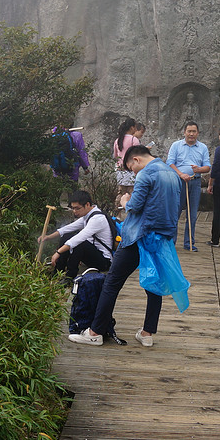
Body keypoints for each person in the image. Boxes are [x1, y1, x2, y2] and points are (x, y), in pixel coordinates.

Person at [73, 145, 182, 347]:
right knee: (154, 286)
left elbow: (135, 206)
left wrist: (125, 200)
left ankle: (95, 332)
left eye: (131, 167)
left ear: (136, 160)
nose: (133, 172)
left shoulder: (146, 174)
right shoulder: (172, 174)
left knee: (112, 283)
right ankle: (147, 333)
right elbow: (176, 208)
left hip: (137, 237)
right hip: (161, 239)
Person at [39, 190, 114, 279]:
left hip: (104, 262)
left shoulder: (97, 219)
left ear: (87, 205)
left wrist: (58, 252)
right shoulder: (88, 216)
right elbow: (67, 228)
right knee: (66, 236)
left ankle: (70, 277)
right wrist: (48, 237)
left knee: (79, 243)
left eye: (77, 208)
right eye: (73, 208)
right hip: (93, 255)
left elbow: (79, 238)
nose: (74, 211)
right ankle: (58, 271)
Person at [166, 121, 210, 252]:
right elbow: (169, 163)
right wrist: (180, 174)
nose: (191, 134)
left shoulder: (202, 147)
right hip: (179, 181)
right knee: (176, 212)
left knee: (192, 213)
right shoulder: (176, 145)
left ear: (198, 133)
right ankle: (171, 242)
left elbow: (207, 167)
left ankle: (189, 242)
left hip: (195, 181)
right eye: (189, 131)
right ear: (184, 132)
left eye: (194, 131)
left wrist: (199, 169)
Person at [112, 117, 140, 207]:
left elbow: (116, 156)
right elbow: (138, 155)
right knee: (132, 192)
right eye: (135, 127)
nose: (136, 130)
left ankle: (117, 213)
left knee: (121, 192)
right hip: (131, 170)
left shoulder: (117, 140)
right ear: (132, 128)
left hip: (120, 170)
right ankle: (131, 212)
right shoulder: (133, 140)